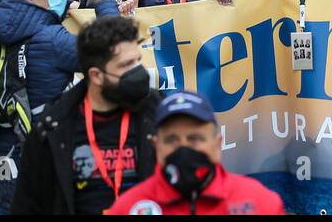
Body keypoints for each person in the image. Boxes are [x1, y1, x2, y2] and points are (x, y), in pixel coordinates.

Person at [0, 0, 119, 212]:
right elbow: (112, 54)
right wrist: (104, 2)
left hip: (6, 149)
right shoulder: (51, 39)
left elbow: (34, 19)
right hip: (48, 153)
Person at [11, 16, 159, 215]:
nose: (138, 72)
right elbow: (28, 207)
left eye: (138, 61)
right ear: (96, 76)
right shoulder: (52, 129)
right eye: (126, 65)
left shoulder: (157, 114)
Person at [106, 90, 285, 215]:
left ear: (217, 144)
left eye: (195, 139)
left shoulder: (260, 202)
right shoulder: (128, 207)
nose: (183, 148)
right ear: (156, 146)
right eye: (171, 140)